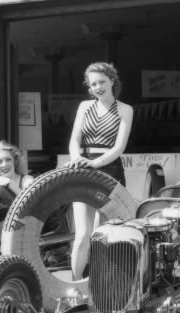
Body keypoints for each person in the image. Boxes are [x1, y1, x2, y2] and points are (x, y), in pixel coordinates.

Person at [65, 62, 134, 280]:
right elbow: (74, 140)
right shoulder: (85, 107)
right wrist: (77, 159)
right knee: (83, 234)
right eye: (93, 84)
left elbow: (119, 147)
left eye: (102, 82)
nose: (98, 87)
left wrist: (96, 163)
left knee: (107, 233)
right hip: (83, 170)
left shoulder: (125, 109)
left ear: (112, 80)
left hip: (110, 171)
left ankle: (101, 285)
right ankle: (75, 287)